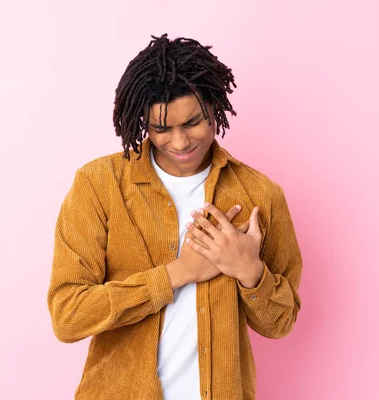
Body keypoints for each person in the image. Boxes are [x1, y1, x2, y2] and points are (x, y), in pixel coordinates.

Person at [47, 33, 303, 400]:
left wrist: (249, 272)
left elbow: (281, 323)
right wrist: (179, 273)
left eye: (193, 122)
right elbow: (68, 315)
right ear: (142, 123)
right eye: (162, 129)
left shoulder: (260, 195)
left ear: (214, 106)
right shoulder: (99, 186)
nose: (180, 143)